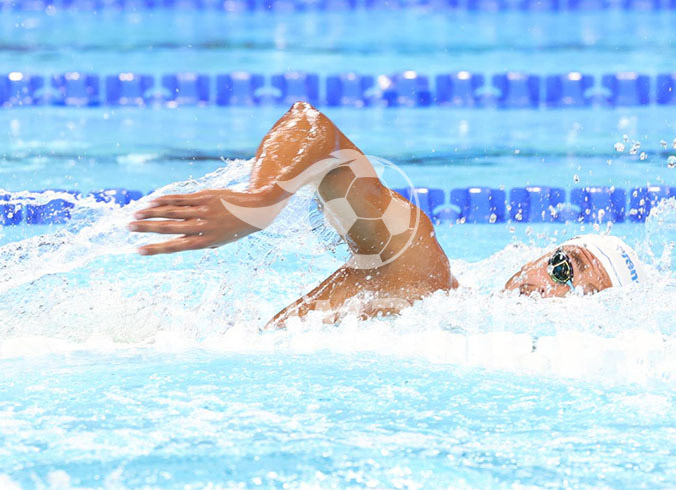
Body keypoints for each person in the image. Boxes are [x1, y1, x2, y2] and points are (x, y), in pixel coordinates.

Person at [129, 102, 646, 327]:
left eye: (578, 291)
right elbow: (315, 132)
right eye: (562, 266)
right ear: (530, 260)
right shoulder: (422, 272)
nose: (553, 286)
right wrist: (258, 202)